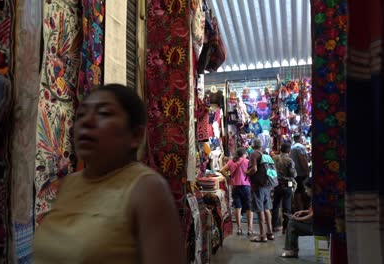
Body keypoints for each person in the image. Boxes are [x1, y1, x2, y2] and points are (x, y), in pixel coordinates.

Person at [33, 84, 185, 264]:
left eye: (104, 113)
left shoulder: (146, 190)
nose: (86, 122)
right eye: (81, 115)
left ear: (135, 136)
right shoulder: (68, 185)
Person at [219, 147, 255, 236]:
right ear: (244, 154)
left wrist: (228, 178)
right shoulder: (247, 161)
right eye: (246, 154)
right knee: (249, 208)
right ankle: (250, 229)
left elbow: (222, 170)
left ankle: (239, 229)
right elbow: (253, 171)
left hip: (235, 186)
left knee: (237, 207)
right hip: (246, 186)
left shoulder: (231, 161)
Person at [247, 139, 274, 242]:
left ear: (253, 145)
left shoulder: (254, 154)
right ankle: (270, 233)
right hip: (266, 185)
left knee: (259, 210)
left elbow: (254, 169)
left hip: (258, 186)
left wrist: (247, 172)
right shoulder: (264, 154)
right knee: (267, 209)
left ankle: (262, 235)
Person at [281, 177, 314, 258]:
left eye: (307, 189)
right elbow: (312, 211)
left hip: (314, 227)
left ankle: (291, 250)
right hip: (314, 225)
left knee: (292, 223)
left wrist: (298, 219)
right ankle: (292, 250)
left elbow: (312, 215)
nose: (306, 191)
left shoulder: (316, 200)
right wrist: (303, 211)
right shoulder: (316, 198)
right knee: (292, 224)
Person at [272, 142, 297, 234]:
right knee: (287, 206)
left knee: (275, 205)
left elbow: (270, 171)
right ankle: (285, 228)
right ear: (289, 150)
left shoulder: (274, 158)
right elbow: (293, 174)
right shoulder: (289, 161)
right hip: (288, 184)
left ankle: (274, 225)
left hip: (276, 184)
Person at [290, 134, 310, 211]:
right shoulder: (299, 147)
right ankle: (302, 210)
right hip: (300, 174)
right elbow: (303, 160)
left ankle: (297, 209)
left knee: (296, 192)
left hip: (295, 174)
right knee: (301, 192)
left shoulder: (292, 147)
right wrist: (307, 171)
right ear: (300, 139)